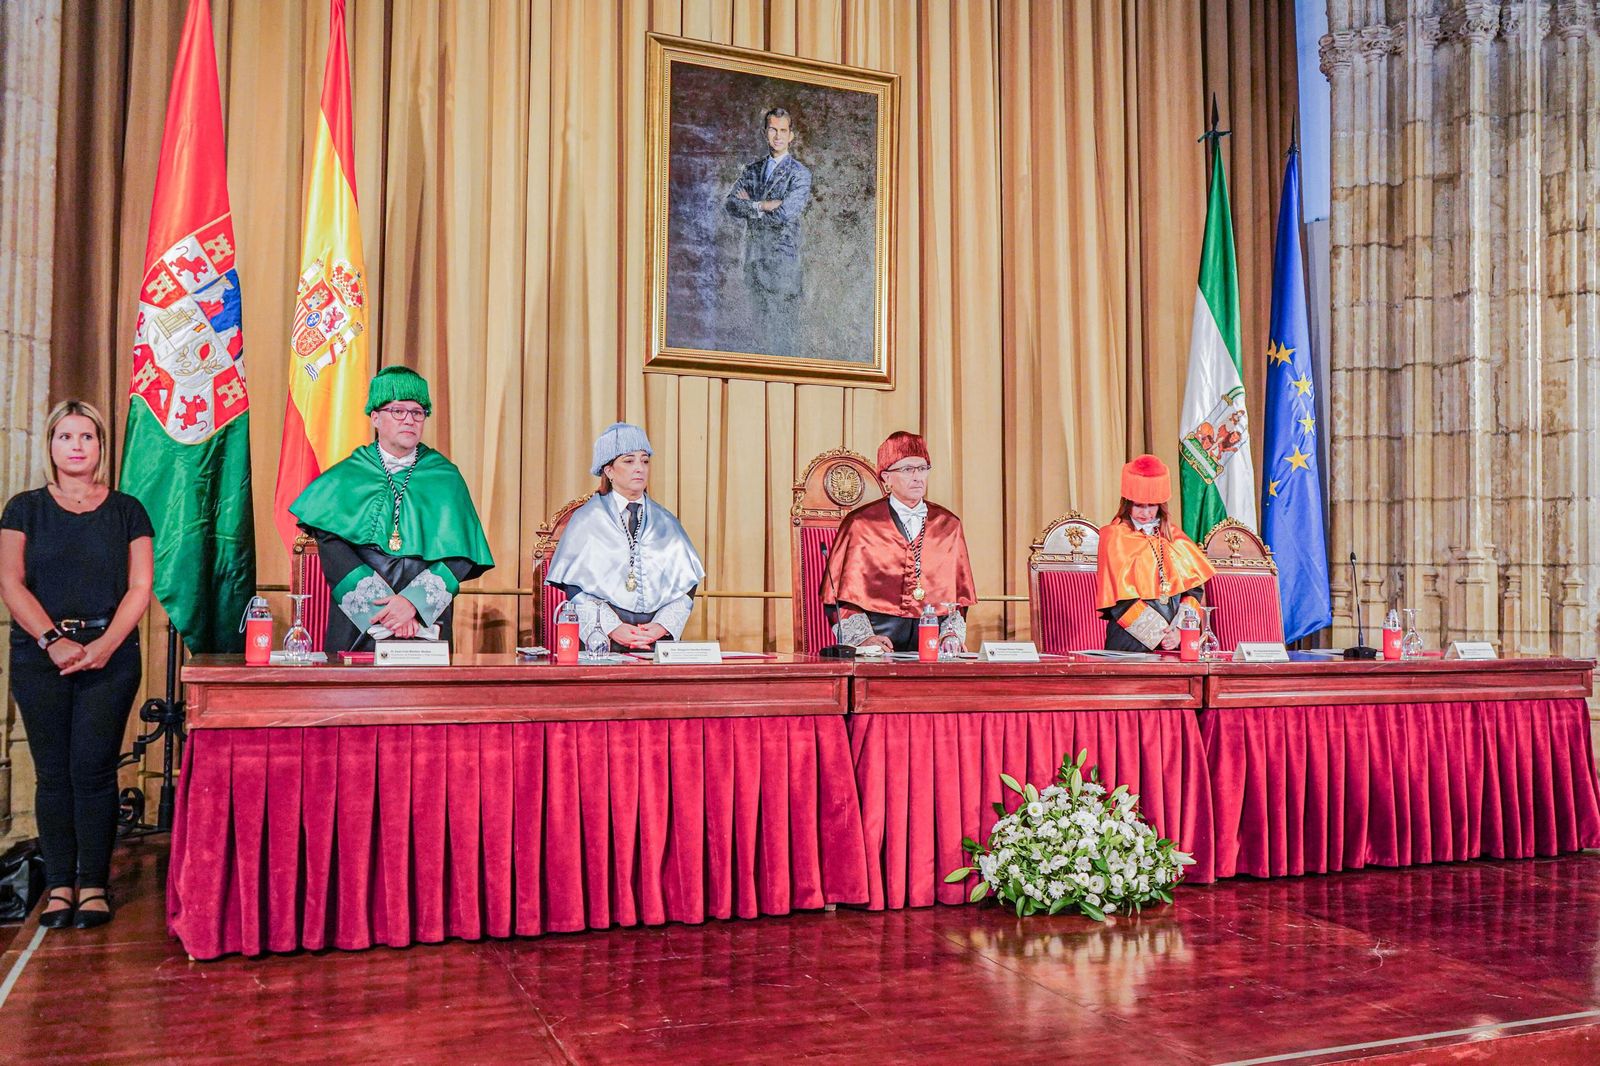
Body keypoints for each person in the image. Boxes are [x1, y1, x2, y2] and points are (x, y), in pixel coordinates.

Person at [0, 400, 153, 929]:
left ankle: (93, 885)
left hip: (108, 655)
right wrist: (51, 641)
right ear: (51, 445)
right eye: (65, 437)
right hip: (41, 656)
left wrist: (106, 645)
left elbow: (140, 588)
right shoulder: (24, 508)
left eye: (86, 437)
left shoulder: (127, 510)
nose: (76, 446)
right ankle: (59, 885)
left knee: (92, 771)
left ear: (100, 446)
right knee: (53, 775)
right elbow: (11, 583)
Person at [289, 367, 493, 654]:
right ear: (375, 416)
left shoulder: (445, 477)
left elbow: (461, 555)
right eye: (398, 411)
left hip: (425, 623)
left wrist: (413, 604)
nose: (409, 419)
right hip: (359, 622)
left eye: (418, 412)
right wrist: (387, 613)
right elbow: (333, 548)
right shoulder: (346, 476)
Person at [545, 423, 705, 653]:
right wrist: (612, 627)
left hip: (655, 641)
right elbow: (574, 586)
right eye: (629, 461)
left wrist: (659, 627)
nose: (639, 468)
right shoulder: (586, 519)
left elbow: (686, 584)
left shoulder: (666, 521)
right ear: (608, 470)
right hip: (602, 639)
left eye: (645, 461)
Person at [821, 431, 976, 653]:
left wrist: (950, 633)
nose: (917, 477)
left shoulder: (948, 525)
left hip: (932, 638)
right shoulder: (861, 523)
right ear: (886, 477)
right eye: (907, 469)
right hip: (878, 636)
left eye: (922, 468)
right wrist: (864, 640)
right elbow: (840, 598)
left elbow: (958, 597)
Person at [1095, 454, 1216, 651]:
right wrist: (1160, 635)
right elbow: (1120, 600)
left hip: (1174, 641)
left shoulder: (1174, 537)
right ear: (1127, 504)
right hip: (1130, 642)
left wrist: (1180, 631)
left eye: (1152, 506)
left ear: (1161, 505)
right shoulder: (1114, 536)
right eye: (1139, 506)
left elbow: (1193, 592)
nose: (1146, 513)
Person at [724, 106, 813, 357]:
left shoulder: (800, 175)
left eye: (783, 131)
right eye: (773, 129)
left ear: (791, 135)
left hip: (782, 267)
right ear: (765, 133)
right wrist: (763, 205)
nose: (778, 136)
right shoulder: (752, 170)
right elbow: (731, 203)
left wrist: (750, 206)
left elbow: (787, 213)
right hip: (754, 262)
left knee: (782, 341)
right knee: (759, 336)